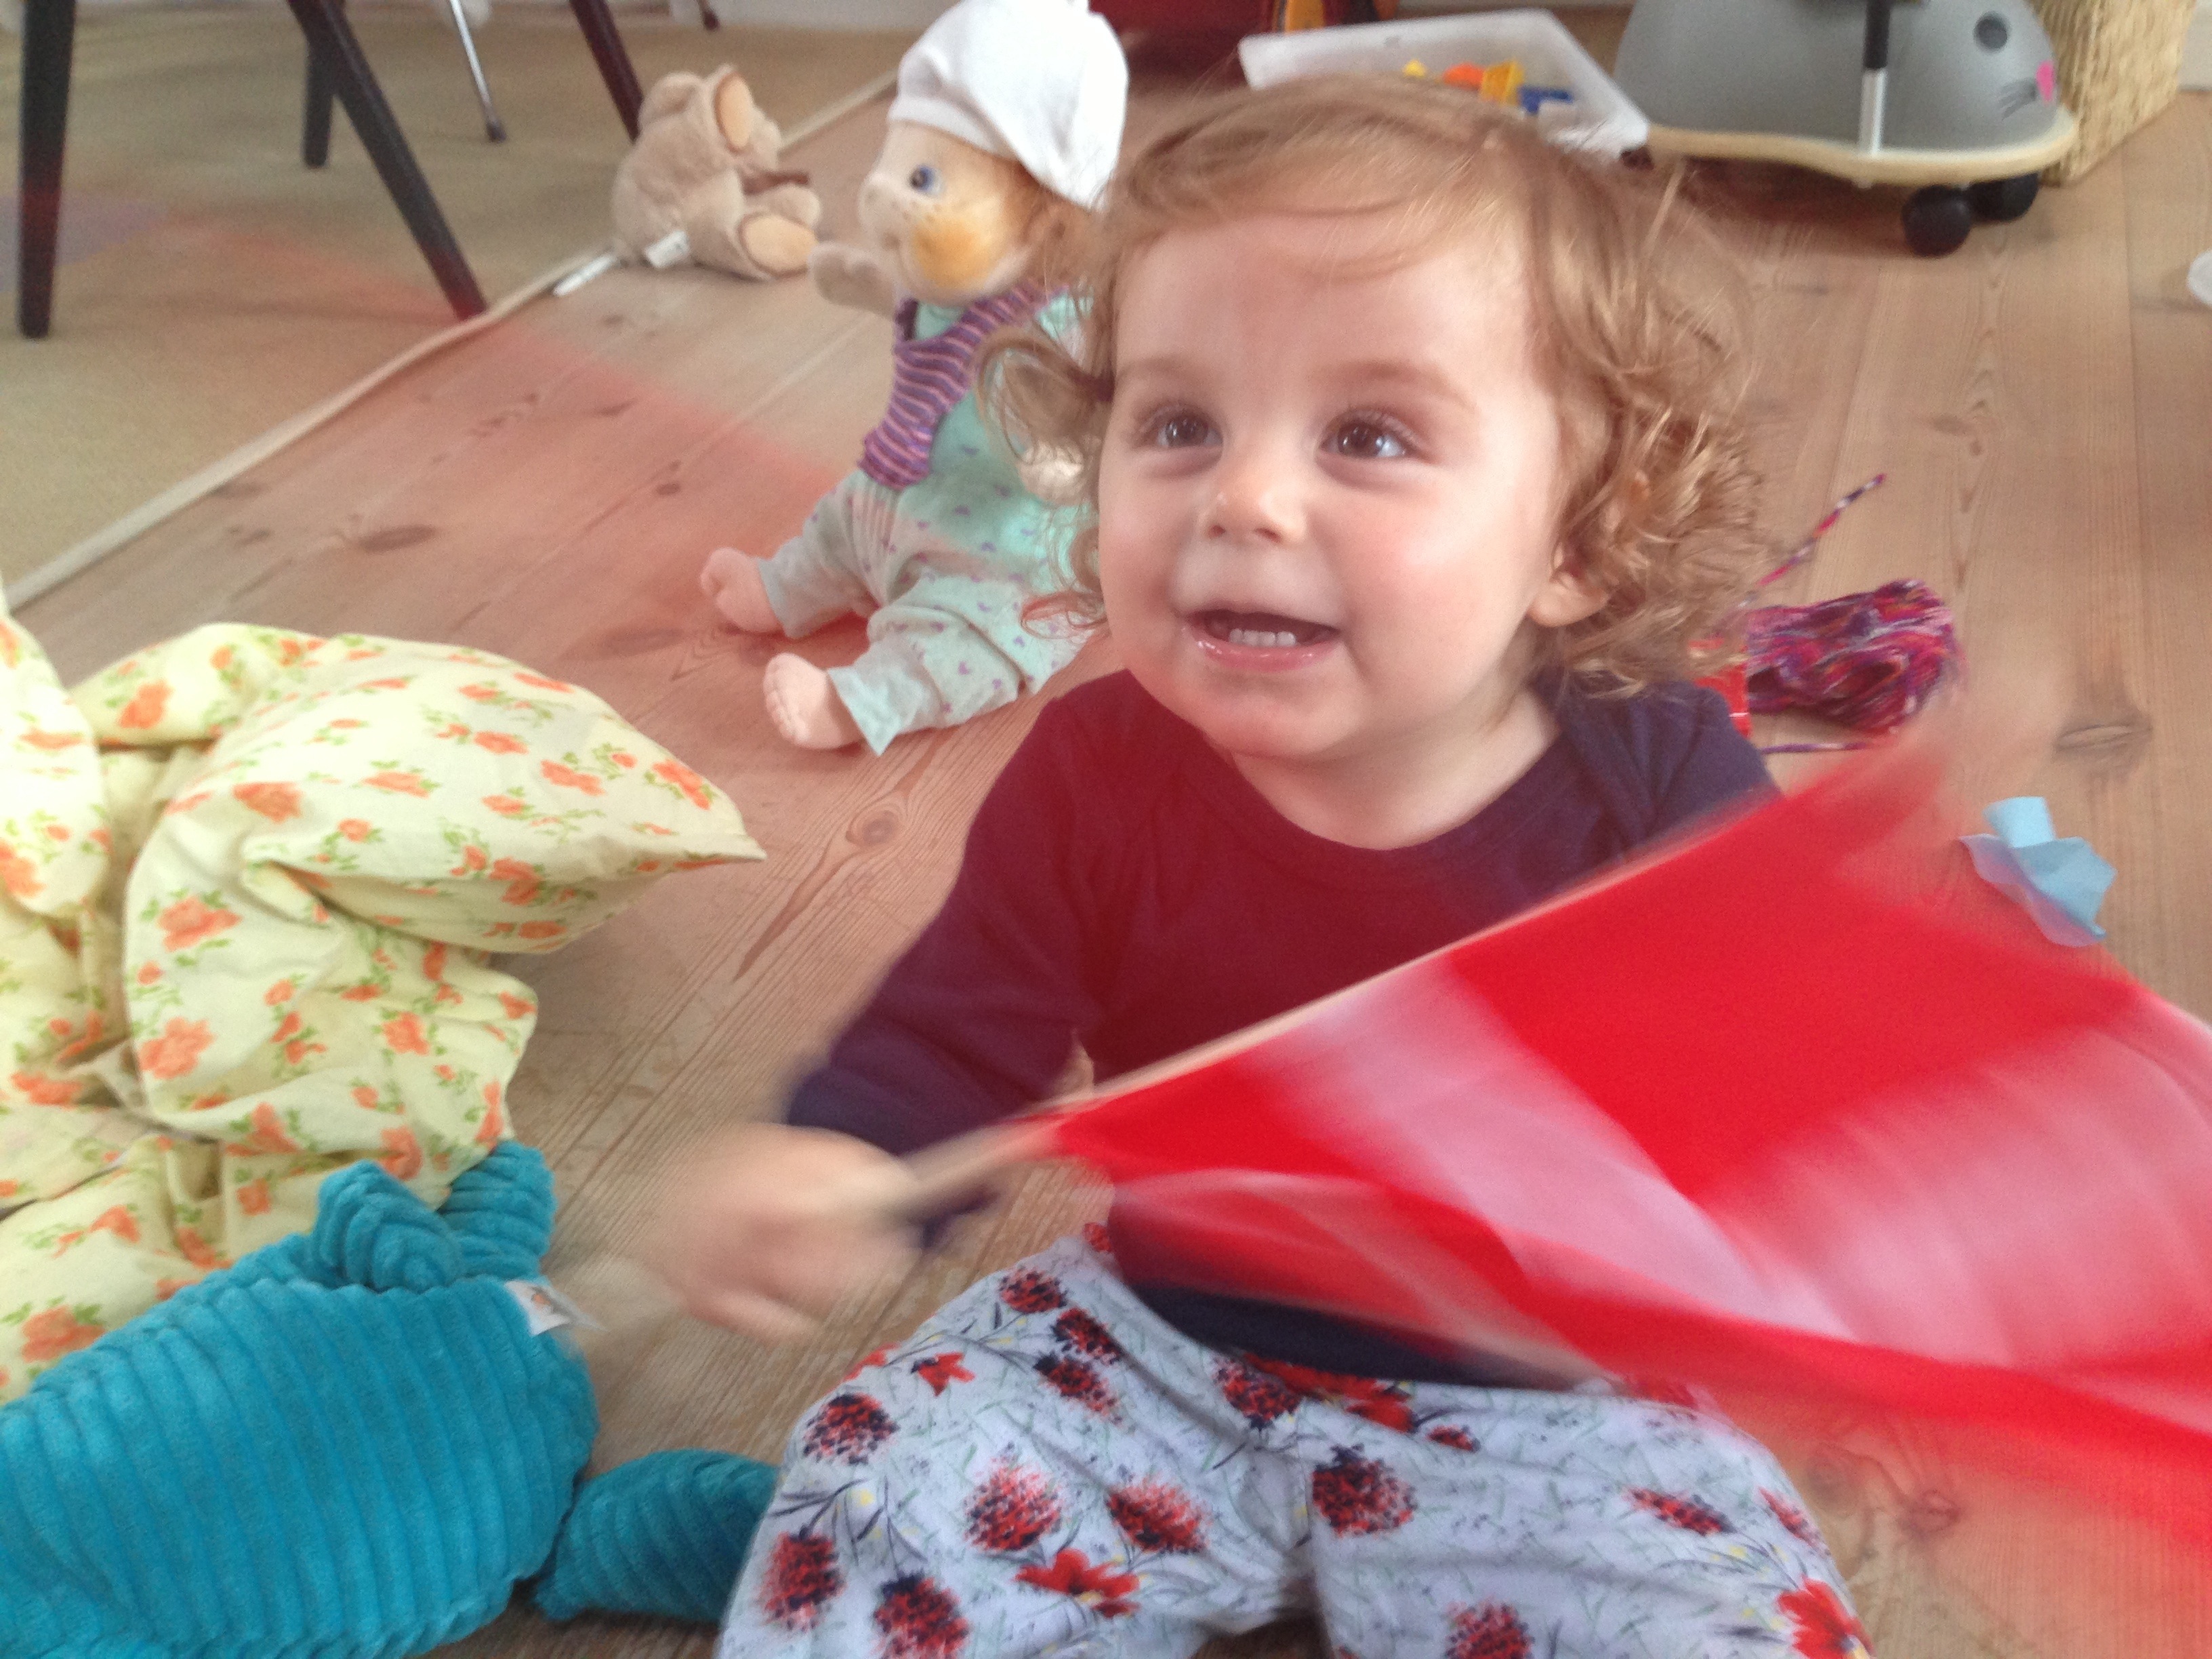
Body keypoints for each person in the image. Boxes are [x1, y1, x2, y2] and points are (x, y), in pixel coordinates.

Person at [657, 75, 1870, 1659]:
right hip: (1149, 1347)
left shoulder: (1653, 781)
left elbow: (1799, 1072)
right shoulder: (1099, 775)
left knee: (1726, 1628)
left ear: (1575, 539)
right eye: (1178, 425)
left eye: (1368, 435)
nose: (1241, 495)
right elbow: (958, 1028)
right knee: (873, 1500)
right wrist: (846, 1155)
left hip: (1558, 1394)